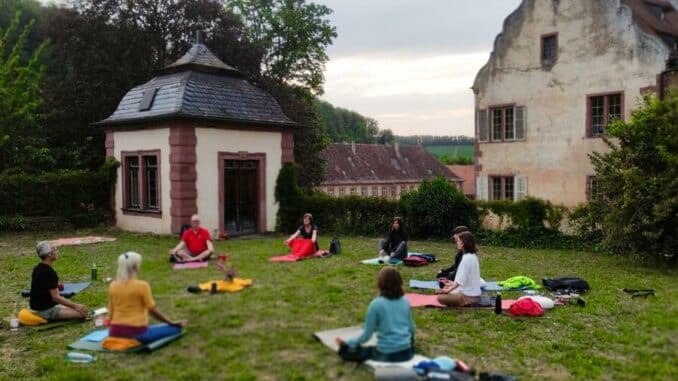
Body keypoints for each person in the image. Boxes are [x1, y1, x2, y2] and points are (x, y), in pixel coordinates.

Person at [335, 267, 415, 362]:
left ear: (380, 283)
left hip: (387, 354)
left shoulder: (376, 304)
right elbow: (411, 329)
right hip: (407, 353)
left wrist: (348, 343)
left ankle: (344, 347)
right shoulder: (405, 301)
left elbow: (366, 335)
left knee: (347, 351)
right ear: (400, 282)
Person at [108, 252, 187, 342]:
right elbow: (152, 311)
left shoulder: (113, 285)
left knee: (156, 328)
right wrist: (171, 322)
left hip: (114, 332)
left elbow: (111, 311)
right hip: (136, 333)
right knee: (176, 329)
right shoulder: (142, 286)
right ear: (135, 267)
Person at [29, 242, 89, 322]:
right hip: (45, 311)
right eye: (54, 249)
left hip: (36, 308)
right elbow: (55, 297)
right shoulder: (49, 272)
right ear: (49, 254)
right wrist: (75, 306)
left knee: (81, 308)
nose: (57, 251)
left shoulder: (37, 268)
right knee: (83, 313)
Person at [436, 231, 482, 307]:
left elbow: (460, 282)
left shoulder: (466, 259)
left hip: (469, 297)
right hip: (474, 293)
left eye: (458, 241)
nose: (457, 243)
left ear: (463, 243)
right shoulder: (473, 256)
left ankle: (461, 301)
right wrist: (450, 283)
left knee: (440, 297)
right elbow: (465, 280)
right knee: (445, 287)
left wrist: (448, 290)